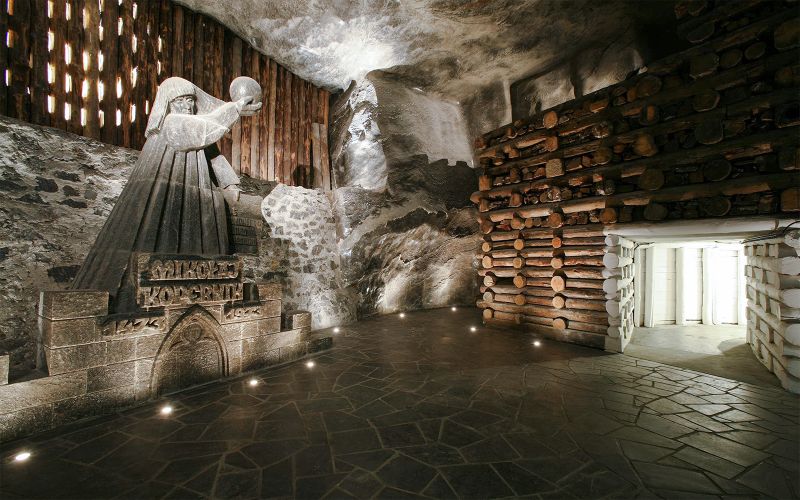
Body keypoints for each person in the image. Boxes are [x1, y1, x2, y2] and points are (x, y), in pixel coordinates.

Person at [71, 77, 262, 312]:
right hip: (168, 189)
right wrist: (235, 108)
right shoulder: (172, 123)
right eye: (181, 100)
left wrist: (231, 186)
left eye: (191, 101)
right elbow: (203, 129)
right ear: (168, 103)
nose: (188, 106)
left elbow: (214, 156)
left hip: (199, 192)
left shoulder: (194, 130)